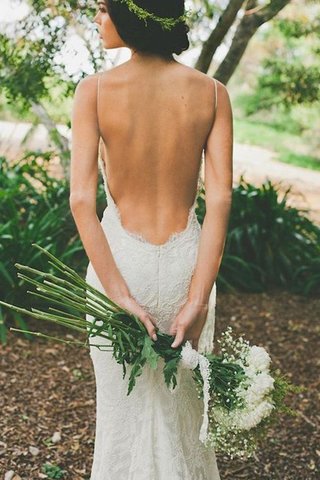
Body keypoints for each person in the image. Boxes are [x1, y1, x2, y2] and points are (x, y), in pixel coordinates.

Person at [70, 0, 233, 478]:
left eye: (103, 8)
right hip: (188, 269)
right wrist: (198, 298)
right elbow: (220, 201)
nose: (97, 19)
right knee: (185, 422)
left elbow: (82, 201)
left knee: (122, 419)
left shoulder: (94, 91)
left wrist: (118, 293)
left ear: (133, 12)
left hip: (120, 268)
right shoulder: (213, 94)